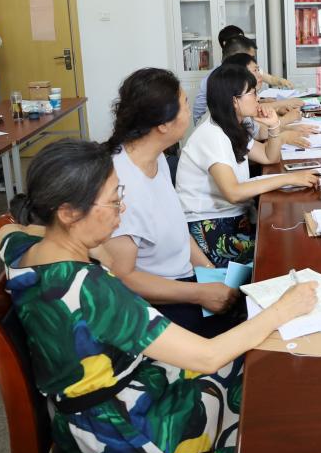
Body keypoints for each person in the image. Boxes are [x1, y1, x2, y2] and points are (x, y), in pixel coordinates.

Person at [0, 139, 317, 453]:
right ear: (67, 213)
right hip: (127, 431)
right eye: (114, 200)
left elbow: (6, 229)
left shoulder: (20, 249)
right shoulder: (93, 290)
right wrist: (283, 308)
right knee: (264, 390)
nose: (122, 209)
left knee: (253, 364)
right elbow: (207, 357)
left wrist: (79, 244)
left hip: (84, 413)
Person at [100, 68, 238, 337]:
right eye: (185, 104)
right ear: (163, 124)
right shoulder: (119, 184)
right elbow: (124, 276)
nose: (190, 110)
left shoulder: (156, 157)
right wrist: (199, 293)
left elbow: (178, 230)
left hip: (186, 282)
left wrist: (210, 273)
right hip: (158, 305)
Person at [177, 63, 320, 267]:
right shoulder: (212, 134)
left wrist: (274, 126)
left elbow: (268, 157)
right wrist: (289, 178)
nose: (258, 98)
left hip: (234, 218)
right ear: (234, 101)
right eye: (252, 93)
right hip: (211, 227)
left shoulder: (233, 124)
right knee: (287, 245)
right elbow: (233, 192)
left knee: (290, 237)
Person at [193, 34, 304, 125]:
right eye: (250, 57)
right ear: (237, 58)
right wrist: (283, 111)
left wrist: (271, 106)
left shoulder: (234, 74)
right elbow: (241, 110)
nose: (252, 61)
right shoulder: (221, 79)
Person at [218, 24, 292, 89]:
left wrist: (282, 81)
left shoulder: (248, 65)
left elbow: (270, 79)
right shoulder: (223, 75)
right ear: (226, 43)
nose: (244, 42)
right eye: (239, 39)